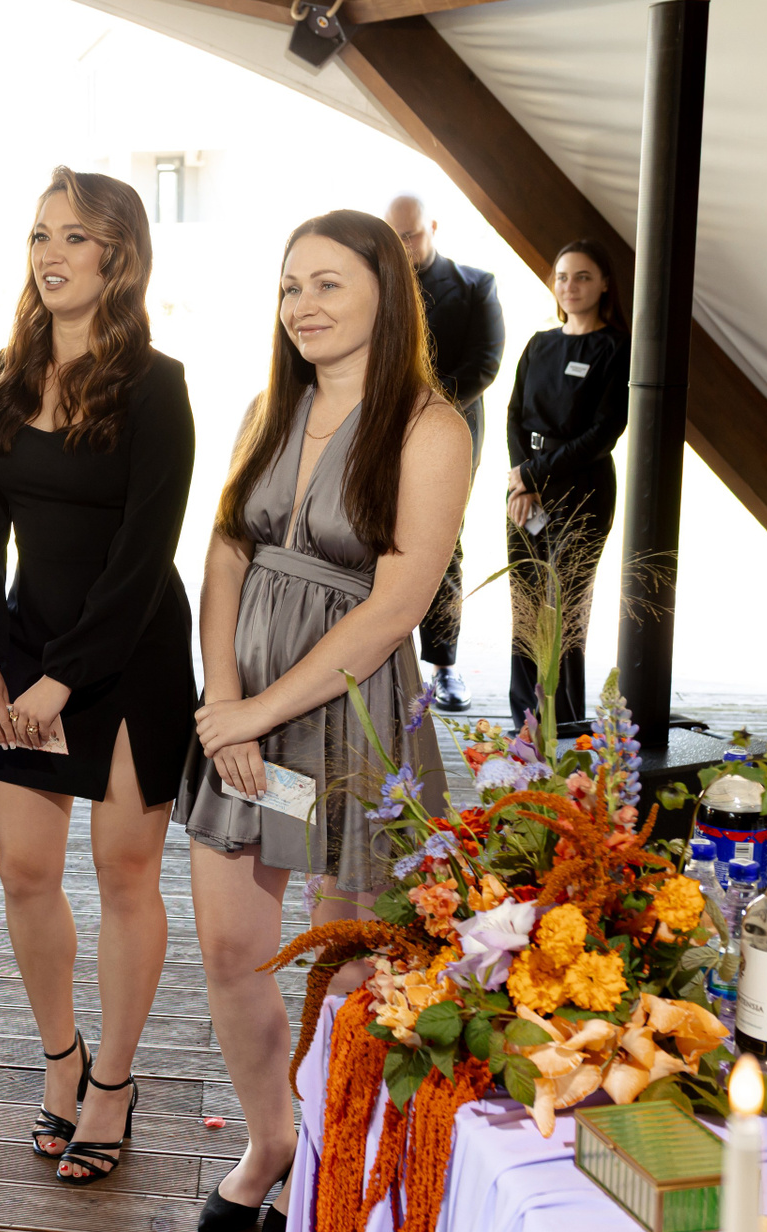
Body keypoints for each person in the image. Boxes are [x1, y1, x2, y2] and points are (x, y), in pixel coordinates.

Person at [178, 210, 470, 1230]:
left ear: (387, 290)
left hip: (348, 720)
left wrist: (260, 710)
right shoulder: (271, 406)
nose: (302, 304)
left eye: (328, 283)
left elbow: (396, 607)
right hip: (244, 713)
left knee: (349, 960)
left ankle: (335, 1167)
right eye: (290, 286)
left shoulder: (431, 428)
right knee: (230, 946)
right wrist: (226, 704)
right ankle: (271, 1140)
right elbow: (225, 553)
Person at [0, 167, 194, 1184]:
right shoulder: (1, 379)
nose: (52, 253)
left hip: (129, 657)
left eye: (76, 236)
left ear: (118, 256)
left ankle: (115, 1082)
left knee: (125, 873)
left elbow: (144, 553)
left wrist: (66, 678)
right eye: (41, 234)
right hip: (26, 645)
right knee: (23, 870)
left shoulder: (156, 385)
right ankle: (63, 1057)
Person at [385, 195, 505, 713]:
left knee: (442, 540)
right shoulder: (378, 283)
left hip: (451, 427)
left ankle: (443, 665)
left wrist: (427, 408)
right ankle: (383, 656)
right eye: (395, 236)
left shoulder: (476, 285)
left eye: (411, 234)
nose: (404, 245)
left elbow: (485, 362)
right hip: (383, 425)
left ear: (432, 226)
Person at [504, 240, 629, 724]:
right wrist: (522, 482)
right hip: (525, 492)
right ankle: (526, 724)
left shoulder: (616, 348)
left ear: (604, 284)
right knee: (527, 607)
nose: (569, 286)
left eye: (582, 276)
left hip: (582, 490)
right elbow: (514, 415)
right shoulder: (540, 344)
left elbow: (604, 432)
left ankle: (566, 724)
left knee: (564, 613)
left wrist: (533, 474)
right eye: (562, 276)